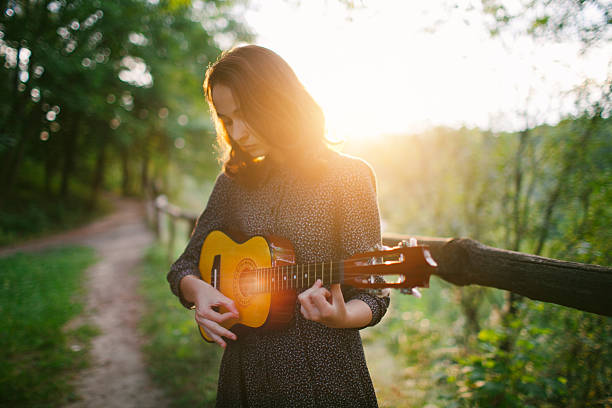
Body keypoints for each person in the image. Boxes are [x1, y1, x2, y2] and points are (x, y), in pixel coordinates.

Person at [167, 45, 390, 408]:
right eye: (226, 120)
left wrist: (343, 315)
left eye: (244, 114)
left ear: (276, 101)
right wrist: (198, 293)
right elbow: (184, 266)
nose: (237, 132)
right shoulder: (234, 184)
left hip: (324, 375)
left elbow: (375, 290)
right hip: (246, 374)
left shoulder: (348, 177)